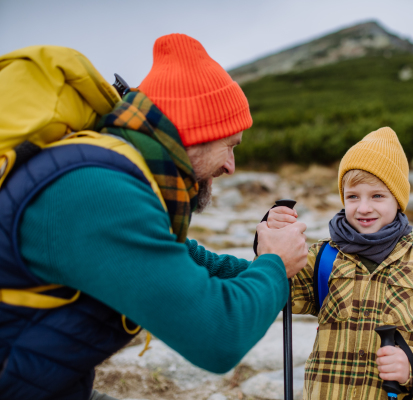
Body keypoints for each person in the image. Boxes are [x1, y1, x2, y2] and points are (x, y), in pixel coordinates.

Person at [0, 34, 308, 400]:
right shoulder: (97, 191)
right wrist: (273, 264)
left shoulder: (112, 172)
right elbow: (218, 337)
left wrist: (269, 270)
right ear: (197, 133)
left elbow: (179, 257)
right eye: (230, 145)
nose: (231, 165)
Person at [267, 127, 413, 399]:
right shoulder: (323, 257)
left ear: (398, 200)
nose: (363, 208)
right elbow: (279, 294)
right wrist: (271, 246)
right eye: (353, 196)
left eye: (377, 196)